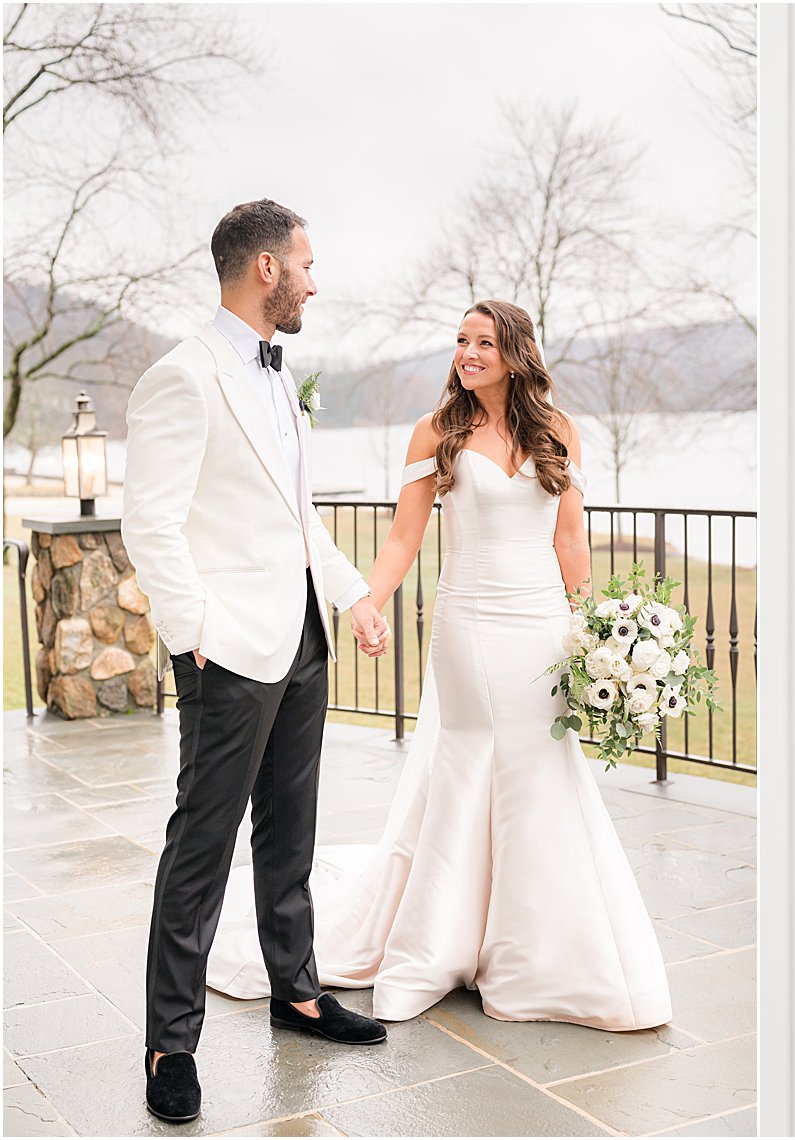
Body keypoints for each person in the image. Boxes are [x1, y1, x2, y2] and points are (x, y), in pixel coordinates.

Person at [207, 300, 672, 1031]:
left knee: (543, 769)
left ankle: (537, 949)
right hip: (471, 626)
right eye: (461, 340)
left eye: (484, 341)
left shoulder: (560, 430)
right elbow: (403, 540)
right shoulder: (438, 433)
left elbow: (572, 541)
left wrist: (595, 635)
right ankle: (446, 940)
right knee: (475, 761)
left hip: (545, 626)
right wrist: (367, 600)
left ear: (517, 353)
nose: (468, 352)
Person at [122, 200, 391, 1125]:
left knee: (291, 834)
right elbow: (149, 521)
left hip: (303, 635)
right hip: (228, 648)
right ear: (265, 270)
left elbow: (298, 510)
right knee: (201, 845)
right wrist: (195, 630)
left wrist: (352, 592)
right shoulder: (182, 378)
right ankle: (170, 1044)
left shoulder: (279, 377)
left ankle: (299, 992)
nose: (316, 282)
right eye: (307, 265)